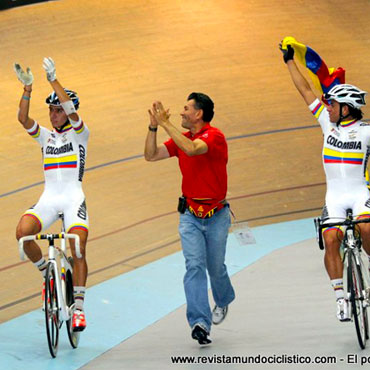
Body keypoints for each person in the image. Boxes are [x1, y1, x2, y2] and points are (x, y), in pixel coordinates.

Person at [279, 43, 370, 321]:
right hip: (335, 197)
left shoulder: (367, 131)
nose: (327, 106)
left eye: (332, 103)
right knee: (331, 238)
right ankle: (340, 298)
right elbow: (305, 91)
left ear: (347, 108)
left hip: (359, 194)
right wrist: (289, 62)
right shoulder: (326, 123)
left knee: (366, 228)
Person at [144, 93, 235, 345]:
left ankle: (224, 298)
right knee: (195, 266)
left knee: (215, 268)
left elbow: (193, 150)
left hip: (216, 216)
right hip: (190, 216)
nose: (181, 113)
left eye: (186, 109)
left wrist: (165, 123)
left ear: (199, 114)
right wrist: (153, 126)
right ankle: (199, 323)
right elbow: (151, 155)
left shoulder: (214, 137)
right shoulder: (182, 138)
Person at [14, 57, 89, 331]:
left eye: (57, 110)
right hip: (49, 198)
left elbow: (71, 111)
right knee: (22, 233)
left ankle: (79, 308)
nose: (53, 114)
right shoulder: (45, 136)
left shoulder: (80, 133)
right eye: (51, 111)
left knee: (78, 247)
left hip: (72, 199)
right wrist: (28, 89)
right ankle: (47, 274)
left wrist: (53, 80)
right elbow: (23, 118)